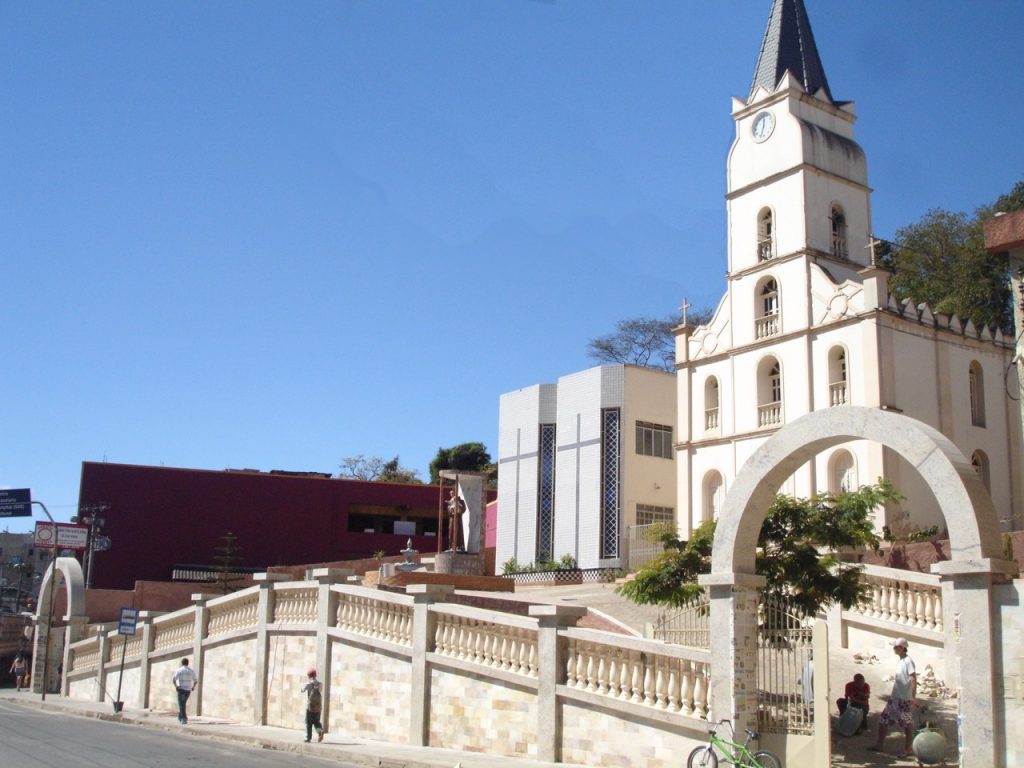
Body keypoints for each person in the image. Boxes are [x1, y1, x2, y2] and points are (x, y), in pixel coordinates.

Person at [869, 638, 916, 757]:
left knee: (907, 723)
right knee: (883, 719)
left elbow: (913, 677)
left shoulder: (908, 661)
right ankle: (879, 745)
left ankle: (908, 748)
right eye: (894, 647)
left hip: (904, 699)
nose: (894, 649)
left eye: (896, 647)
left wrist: (913, 696)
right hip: (895, 698)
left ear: (902, 647)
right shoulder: (901, 660)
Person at [172, 658, 199, 724]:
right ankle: (180, 717)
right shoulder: (191, 671)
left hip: (181, 689)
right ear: (188, 663)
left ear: (182, 663)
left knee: (181, 704)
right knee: (183, 703)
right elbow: (195, 680)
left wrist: (176, 686)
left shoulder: (179, 670)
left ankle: (184, 718)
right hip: (188, 690)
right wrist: (193, 687)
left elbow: (174, 679)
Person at [301, 668, 324, 743]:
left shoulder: (309, 684)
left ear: (309, 675)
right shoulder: (320, 684)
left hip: (310, 707)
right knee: (316, 721)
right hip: (318, 706)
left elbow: (302, 690)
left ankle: (308, 738)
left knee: (308, 722)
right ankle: (320, 731)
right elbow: (320, 691)